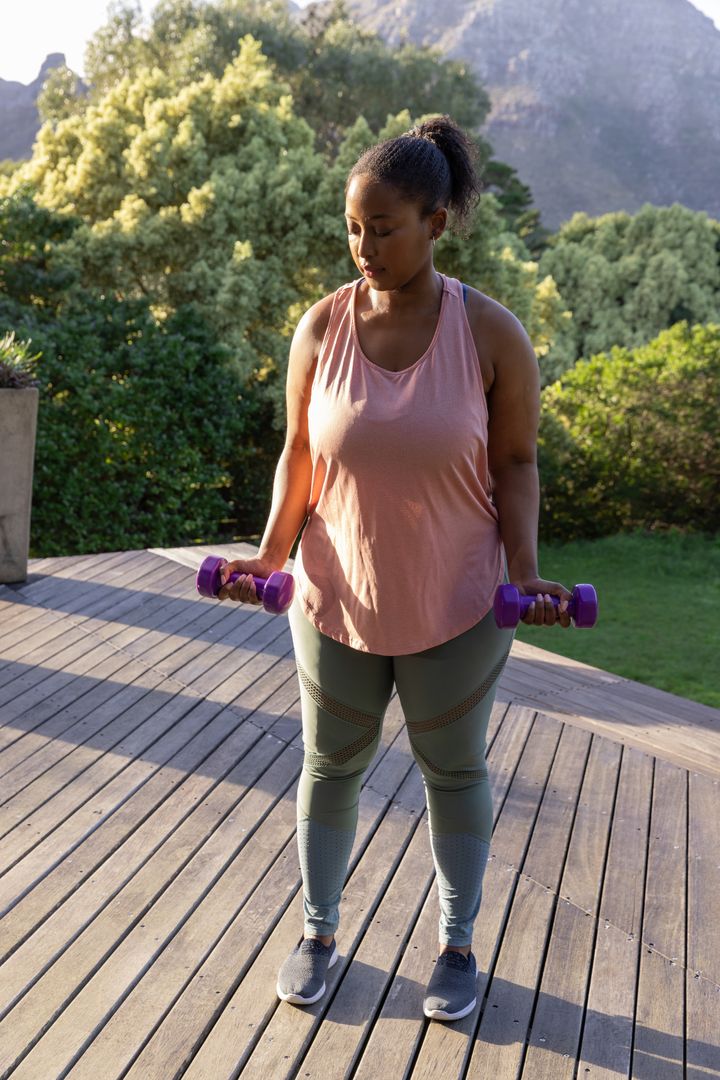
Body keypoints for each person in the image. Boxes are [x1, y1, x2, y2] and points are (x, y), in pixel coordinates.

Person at [217, 115, 572, 1023]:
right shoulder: (320, 326)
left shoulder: (492, 334)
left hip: (455, 598)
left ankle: (456, 945)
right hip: (335, 593)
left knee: (450, 768)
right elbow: (299, 451)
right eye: (352, 227)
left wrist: (526, 569)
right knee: (330, 763)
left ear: (436, 224)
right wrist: (270, 548)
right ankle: (319, 931)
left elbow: (517, 464)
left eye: (384, 227)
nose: (363, 246)